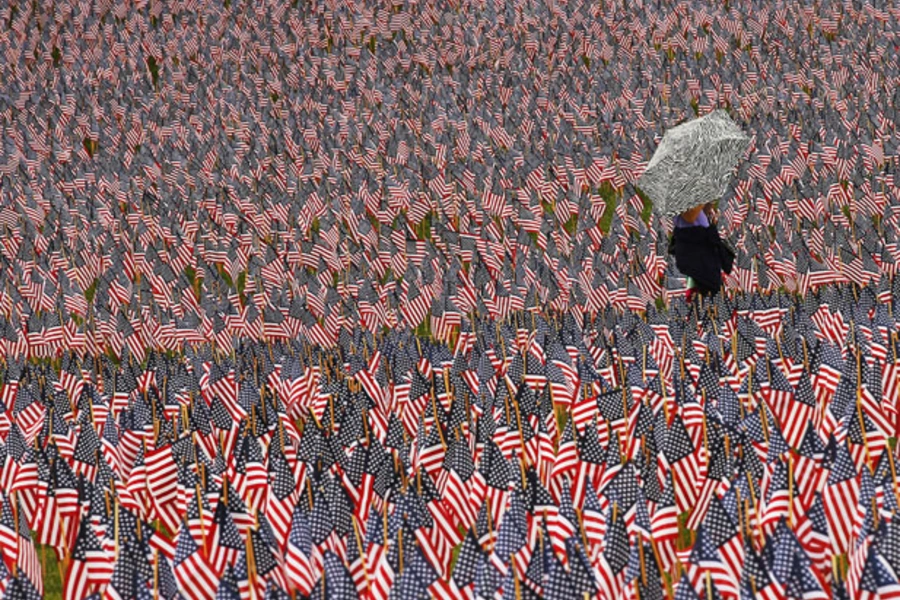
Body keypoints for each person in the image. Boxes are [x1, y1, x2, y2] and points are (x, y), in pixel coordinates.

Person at [669, 202, 734, 304]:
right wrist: (702, 197)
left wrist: (708, 201)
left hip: (703, 247)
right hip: (693, 252)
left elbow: (699, 214)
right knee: (706, 300)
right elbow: (689, 217)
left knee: (715, 295)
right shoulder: (680, 194)